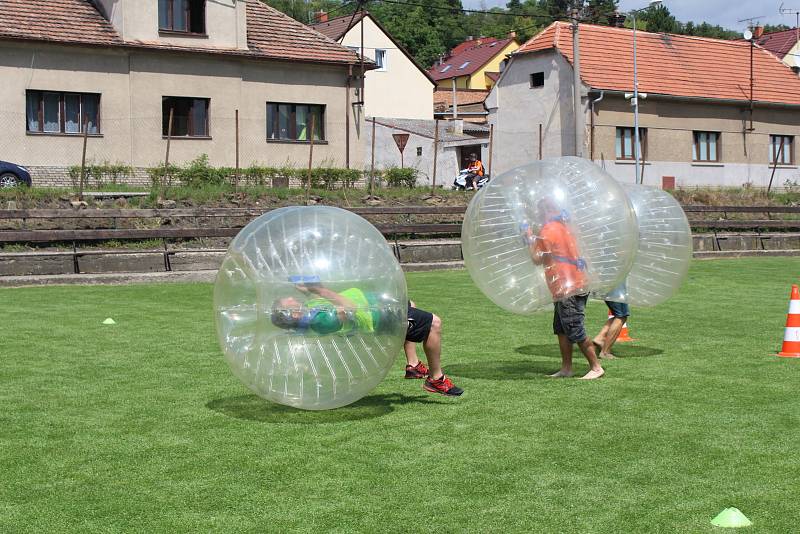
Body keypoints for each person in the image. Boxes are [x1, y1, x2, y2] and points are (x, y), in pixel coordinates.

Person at [271, 284, 463, 396]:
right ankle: (436, 379)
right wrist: (321, 290)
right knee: (434, 323)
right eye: (285, 302)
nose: (288, 297)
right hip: (379, 317)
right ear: (293, 315)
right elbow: (350, 308)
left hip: (376, 305)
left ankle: (413, 364)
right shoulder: (321, 321)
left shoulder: (310, 311)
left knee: (410, 304)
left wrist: (308, 290)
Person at [521, 197, 604, 380]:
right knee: (561, 328)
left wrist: (528, 238)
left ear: (543, 212)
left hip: (567, 287)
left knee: (574, 328)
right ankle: (566, 368)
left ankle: (596, 367)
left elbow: (537, 259)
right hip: (573, 283)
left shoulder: (548, 231)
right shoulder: (564, 227)